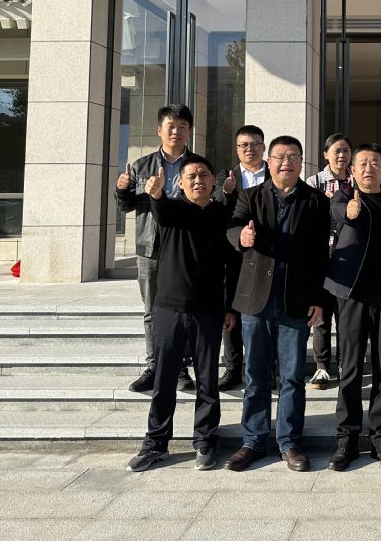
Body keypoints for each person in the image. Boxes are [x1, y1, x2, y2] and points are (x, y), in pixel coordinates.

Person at [224, 136, 330, 473]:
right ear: (269, 162)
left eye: (294, 156)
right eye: (281, 157)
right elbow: (232, 226)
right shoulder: (250, 196)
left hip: (295, 302)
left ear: (302, 162)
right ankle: (253, 441)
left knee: (292, 377)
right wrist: (241, 237)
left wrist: (319, 299)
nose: (287, 162)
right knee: (255, 375)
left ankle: (289, 442)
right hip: (256, 301)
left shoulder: (315, 201)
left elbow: (321, 255)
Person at [126, 155, 236, 472]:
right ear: (181, 183)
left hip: (209, 311)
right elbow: (160, 210)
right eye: (191, 176)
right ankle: (155, 443)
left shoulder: (221, 215)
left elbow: (231, 263)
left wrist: (230, 306)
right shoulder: (173, 210)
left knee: (207, 381)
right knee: (164, 380)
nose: (198, 180)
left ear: (213, 180)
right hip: (168, 309)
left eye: (204, 174)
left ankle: (205, 439)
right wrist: (156, 193)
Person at [325, 144, 381, 471]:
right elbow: (339, 213)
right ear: (352, 170)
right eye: (362, 163)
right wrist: (349, 212)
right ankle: (346, 439)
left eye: (375, 163)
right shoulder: (343, 198)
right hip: (352, 297)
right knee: (350, 370)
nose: (368, 168)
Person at [115, 104, 196, 394]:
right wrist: (123, 188)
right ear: (159, 130)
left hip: (185, 246)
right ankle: (154, 366)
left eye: (182, 126)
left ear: (189, 131)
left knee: (184, 309)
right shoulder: (141, 166)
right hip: (151, 246)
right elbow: (126, 206)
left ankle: (181, 366)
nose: (176, 131)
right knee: (151, 310)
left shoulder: (197, 165)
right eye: (171, 126)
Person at [212, 124, 268, 392]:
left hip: (268, 252)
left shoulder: (275, 172)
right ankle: (233, 368)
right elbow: (216, 211)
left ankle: (267, 368)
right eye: (244, 145)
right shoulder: (226, 176)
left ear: (263, 147)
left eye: (255, 144)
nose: (250, 149)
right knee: (232, 309)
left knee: (266, 309)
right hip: (235, 253)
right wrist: (225, 192)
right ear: (237, 149)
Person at [304, 133, 354, 390]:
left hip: (348, 257)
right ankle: (322, 367)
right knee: (321, 315)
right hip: (321, 257)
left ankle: (346, 364)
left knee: (346, 316)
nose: (341, 155)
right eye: (336, 150)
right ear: (325, 154)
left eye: (346, 150)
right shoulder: (314, 182)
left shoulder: (356, 180)